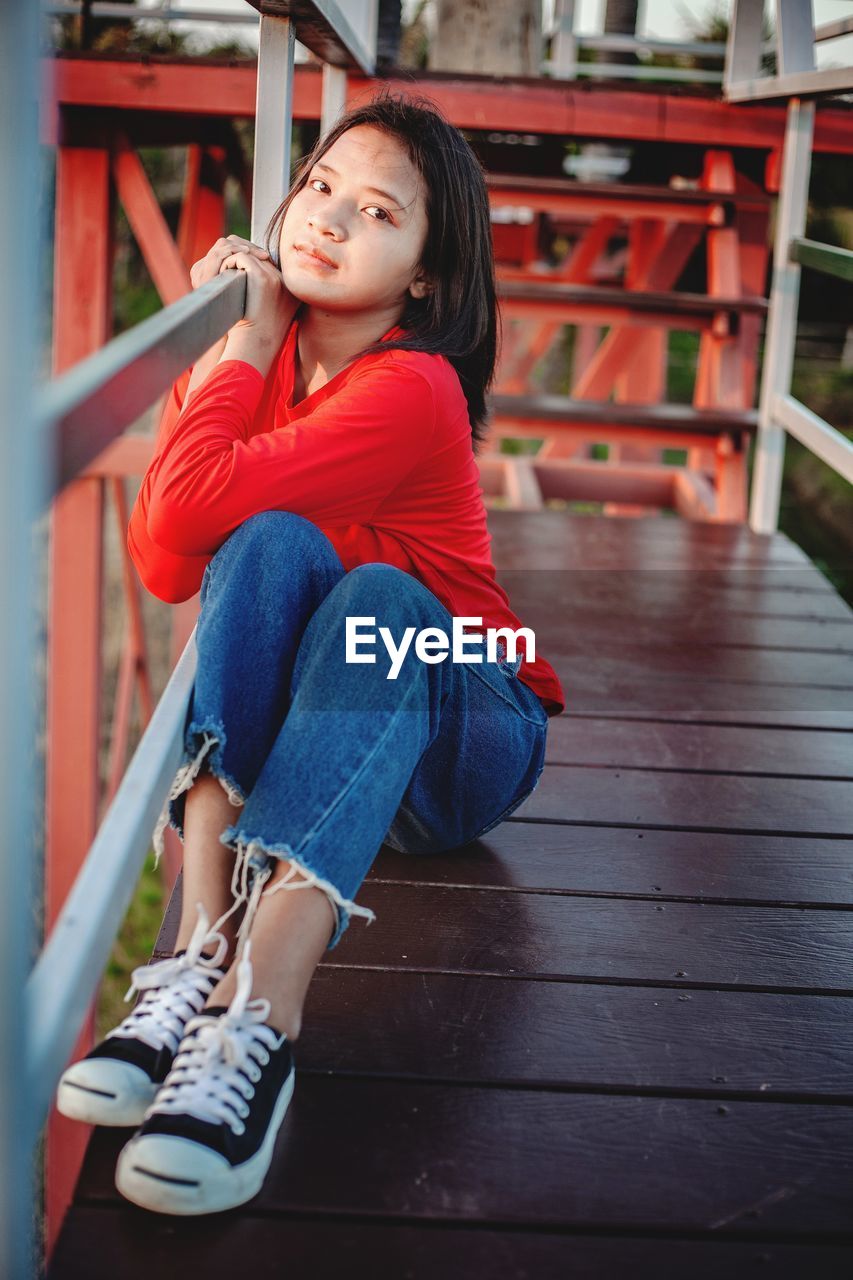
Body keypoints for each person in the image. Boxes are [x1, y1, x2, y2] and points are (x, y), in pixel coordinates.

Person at [56, 88, 565, 1216]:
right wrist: (248, 347)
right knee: (272, 537)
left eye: (378, 212)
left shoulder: (413, 387)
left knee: (380, 591)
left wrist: (238, 337)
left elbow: (179, 512)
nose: (327, 220)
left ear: (426, 274)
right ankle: (191, 958)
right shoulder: (270, 363)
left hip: (465, 733)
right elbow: (163, 556)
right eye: (319, 187)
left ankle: (263, 1018)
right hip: (338, 729)